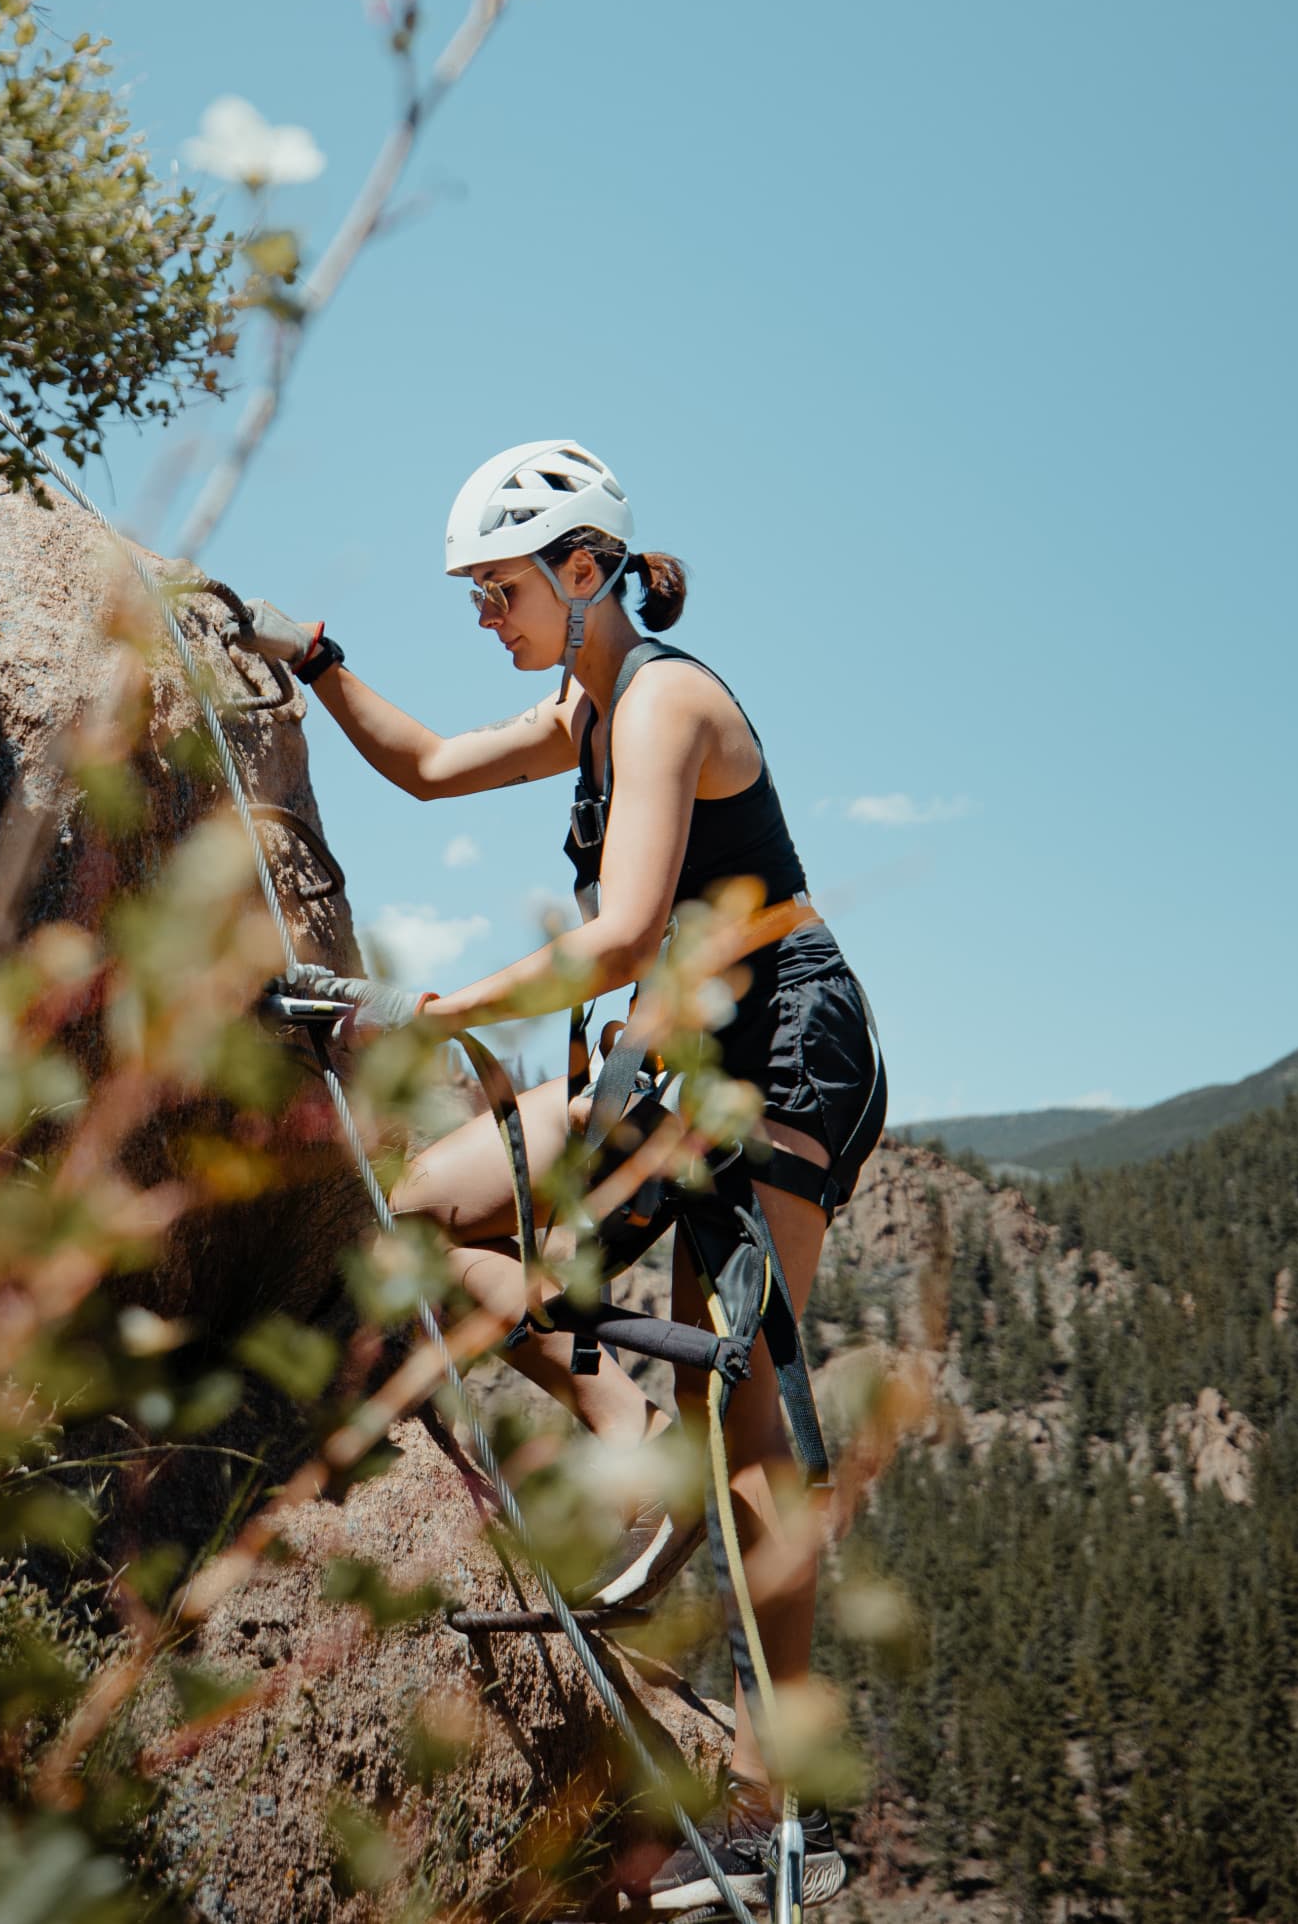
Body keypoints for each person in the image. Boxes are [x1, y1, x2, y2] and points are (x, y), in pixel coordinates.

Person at [243, 439, 887, 1913]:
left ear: (584, 569)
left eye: (498, 591)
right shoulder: (584, 712)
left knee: (741, 1407)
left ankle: (788, 1819)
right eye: (473, 596)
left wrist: (428, 1009)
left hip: (785, 1048)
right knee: (407, 1214)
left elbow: (616, 936)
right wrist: (319, 659)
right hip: (664, 1061)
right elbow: (422, 770)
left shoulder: (663, 702)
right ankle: (614, 1420)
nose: (483, 617)